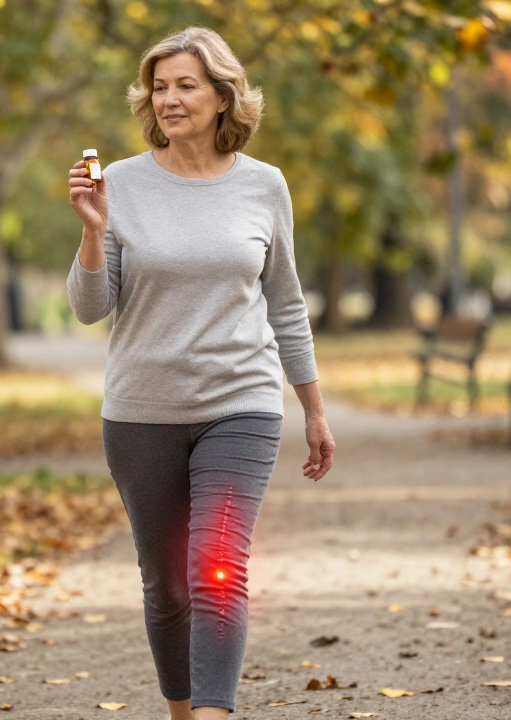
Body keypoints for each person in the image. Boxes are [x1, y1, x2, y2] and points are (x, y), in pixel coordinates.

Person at [65, 26, 336, 720]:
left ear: (222, 97)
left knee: (216, 566)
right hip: (141, 412)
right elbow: (92, 309)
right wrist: (93, 231)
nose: (170, 99)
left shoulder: (264, 186)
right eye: (160, 87)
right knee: (166, 585)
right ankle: (183, 712)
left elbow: (286, 301)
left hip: (240, 403)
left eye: (186, 85)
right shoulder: (119, 184)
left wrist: (313, 408)